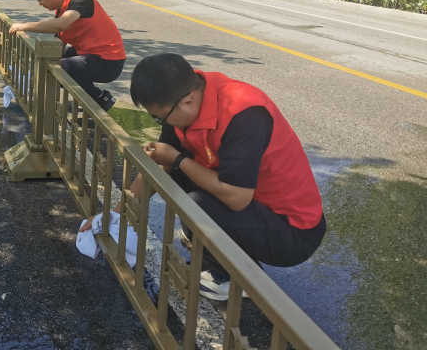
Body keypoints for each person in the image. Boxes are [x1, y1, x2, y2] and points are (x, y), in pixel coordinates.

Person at [81, 53, 326, 301]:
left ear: (188, 101)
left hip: (292, 232)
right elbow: (159, 167)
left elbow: (237, 198)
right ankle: (213, 240)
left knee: (195, 203)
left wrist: (178, 158)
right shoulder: (183, 96)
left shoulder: (244, 114)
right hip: (252, 206)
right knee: (181, 173)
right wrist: (114, 216)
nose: (159, 122)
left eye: (159, 117)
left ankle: (231, 278)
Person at [8, 0, 125, 111]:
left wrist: (24, 26)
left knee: (61, 68)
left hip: (109, 61)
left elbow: (61, 24)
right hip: (93, 56)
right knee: (55, 62)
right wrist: (36, 72)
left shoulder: (81, 0)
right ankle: (79, 100)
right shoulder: (61, 12)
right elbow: (57, 46)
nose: (40, 3)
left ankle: (100, 99)